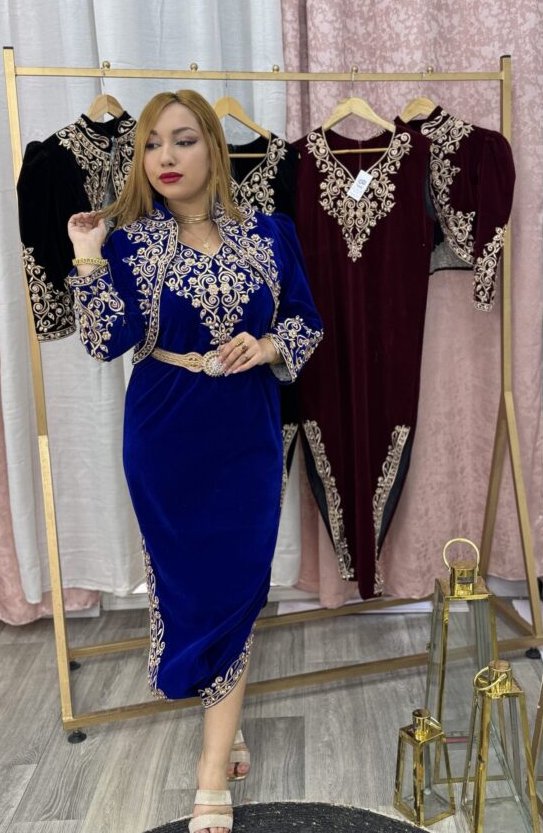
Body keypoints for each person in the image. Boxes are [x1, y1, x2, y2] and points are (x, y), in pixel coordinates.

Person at [66, 89, 323, 833]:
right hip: (166, 434)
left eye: (182, 140)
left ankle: (212, 768)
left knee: (237, 583)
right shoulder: (128, 243)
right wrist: (87, 259)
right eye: (151, 144)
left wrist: (268, 345)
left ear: (214, 145)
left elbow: (306, 322)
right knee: (193, 588)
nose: (166, 157)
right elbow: (105, 342)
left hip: (246, 433)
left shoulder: (269, 233)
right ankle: (222, 721)